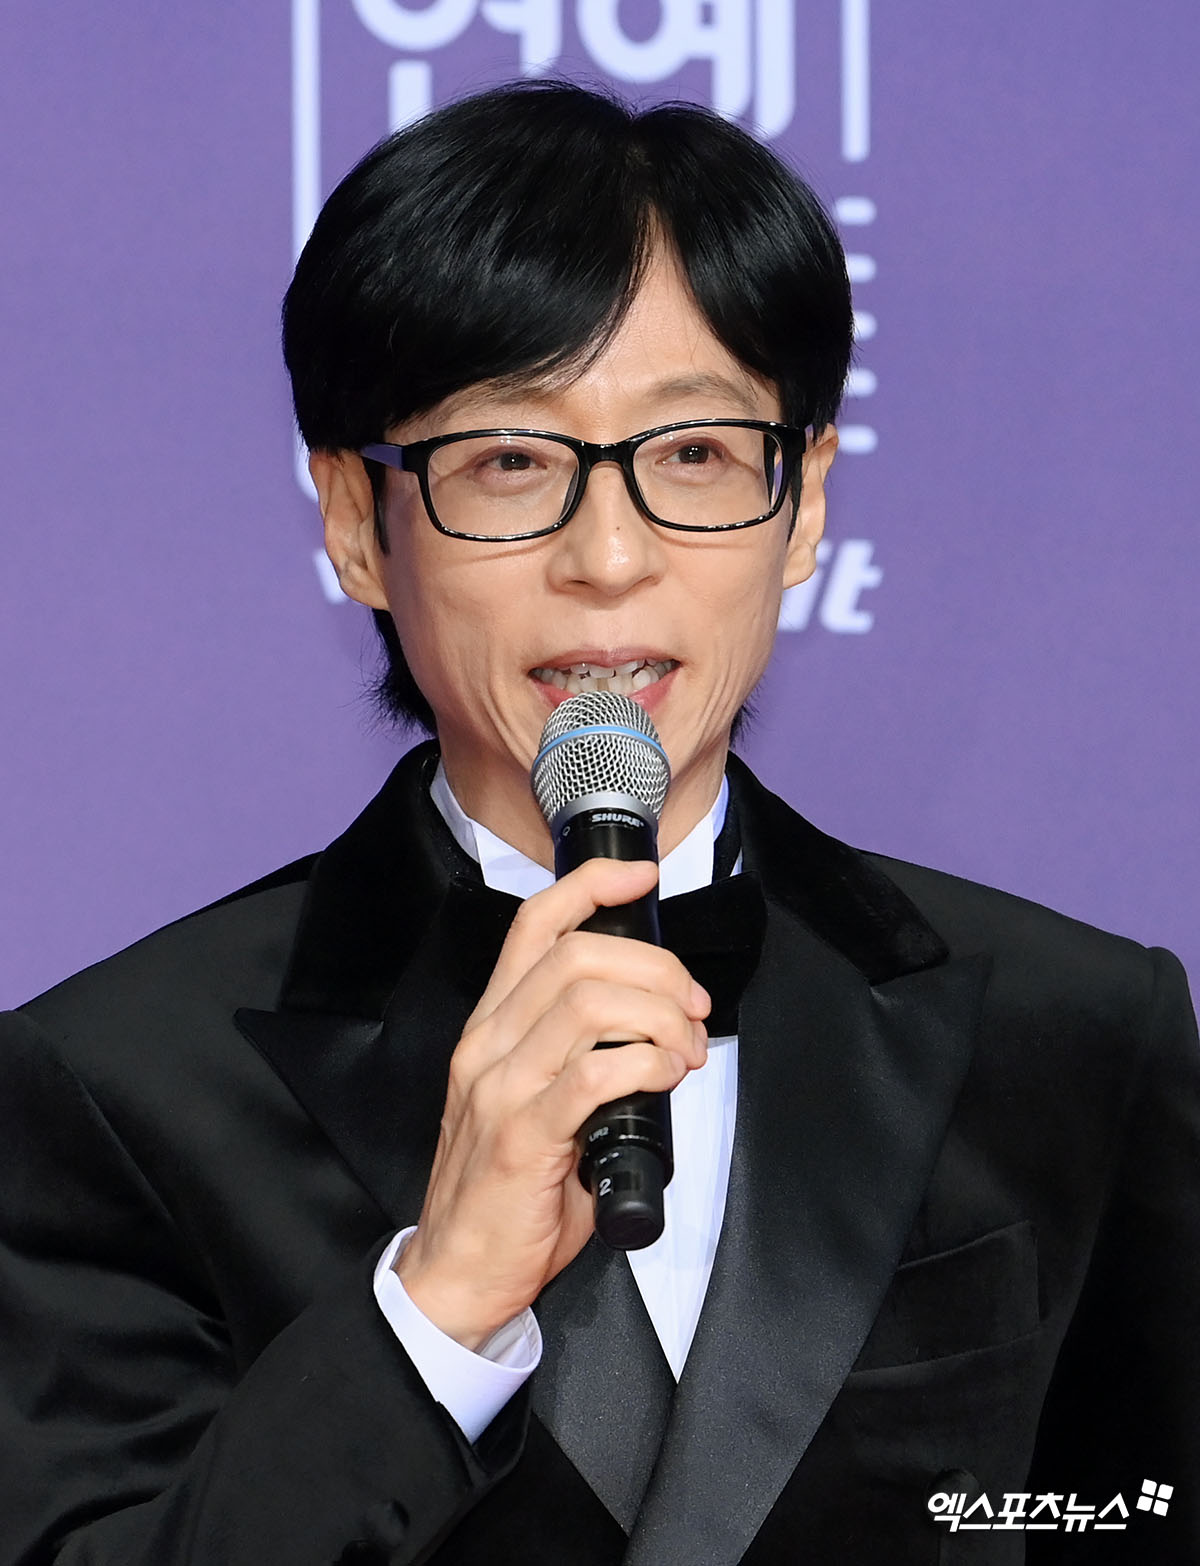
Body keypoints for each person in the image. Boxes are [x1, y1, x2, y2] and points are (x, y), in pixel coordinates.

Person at [1, 80, 1196, 1566]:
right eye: (511, 461)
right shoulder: (112, 1087)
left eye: (694, 454)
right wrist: (432, 1313)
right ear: (358, 522)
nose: (611, 556)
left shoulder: (1080, 1037)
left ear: (806, 499)